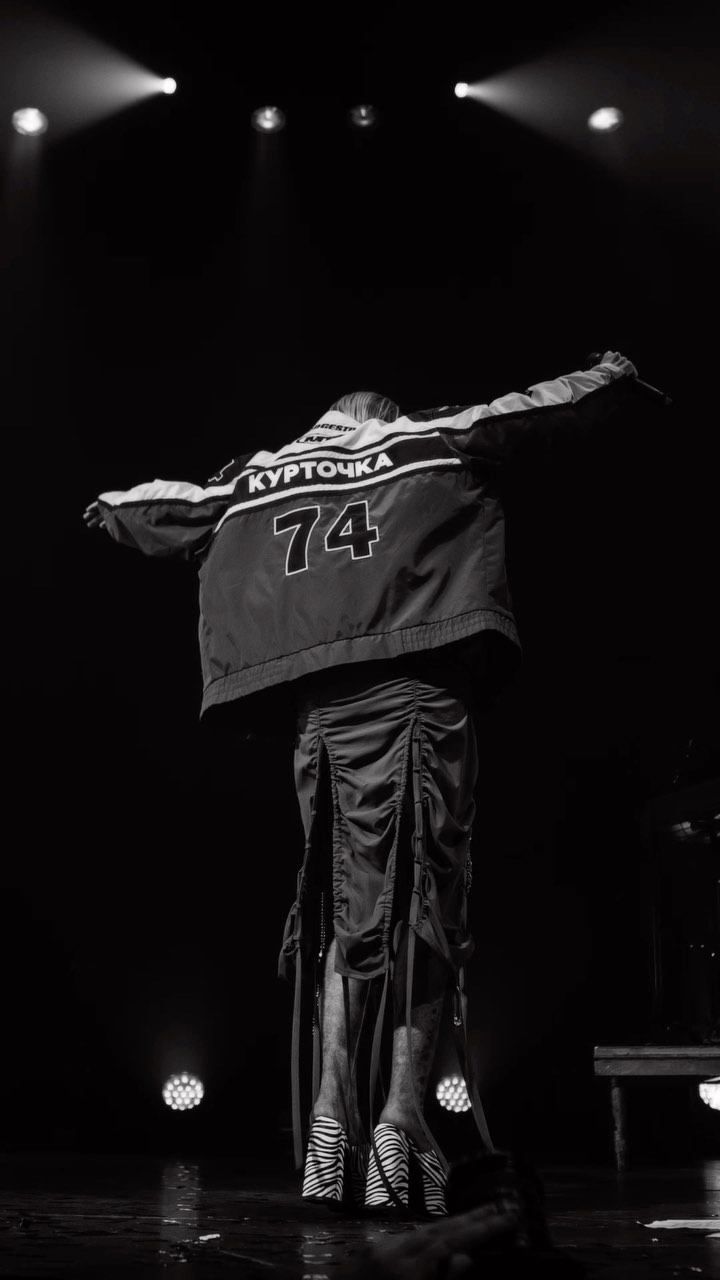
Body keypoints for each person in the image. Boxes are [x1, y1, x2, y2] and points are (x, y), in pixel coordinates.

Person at [84, 352, 638, 1218]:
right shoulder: (421, 438)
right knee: (423, 902)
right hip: (419, 693)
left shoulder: (260, 475)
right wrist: (614, 374)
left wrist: (104, 509)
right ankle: (400, 1120)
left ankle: (329, 1118)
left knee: (345, 908)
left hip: (321, 719)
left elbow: (161, 507)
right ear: (381, 414)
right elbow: (531, 412)